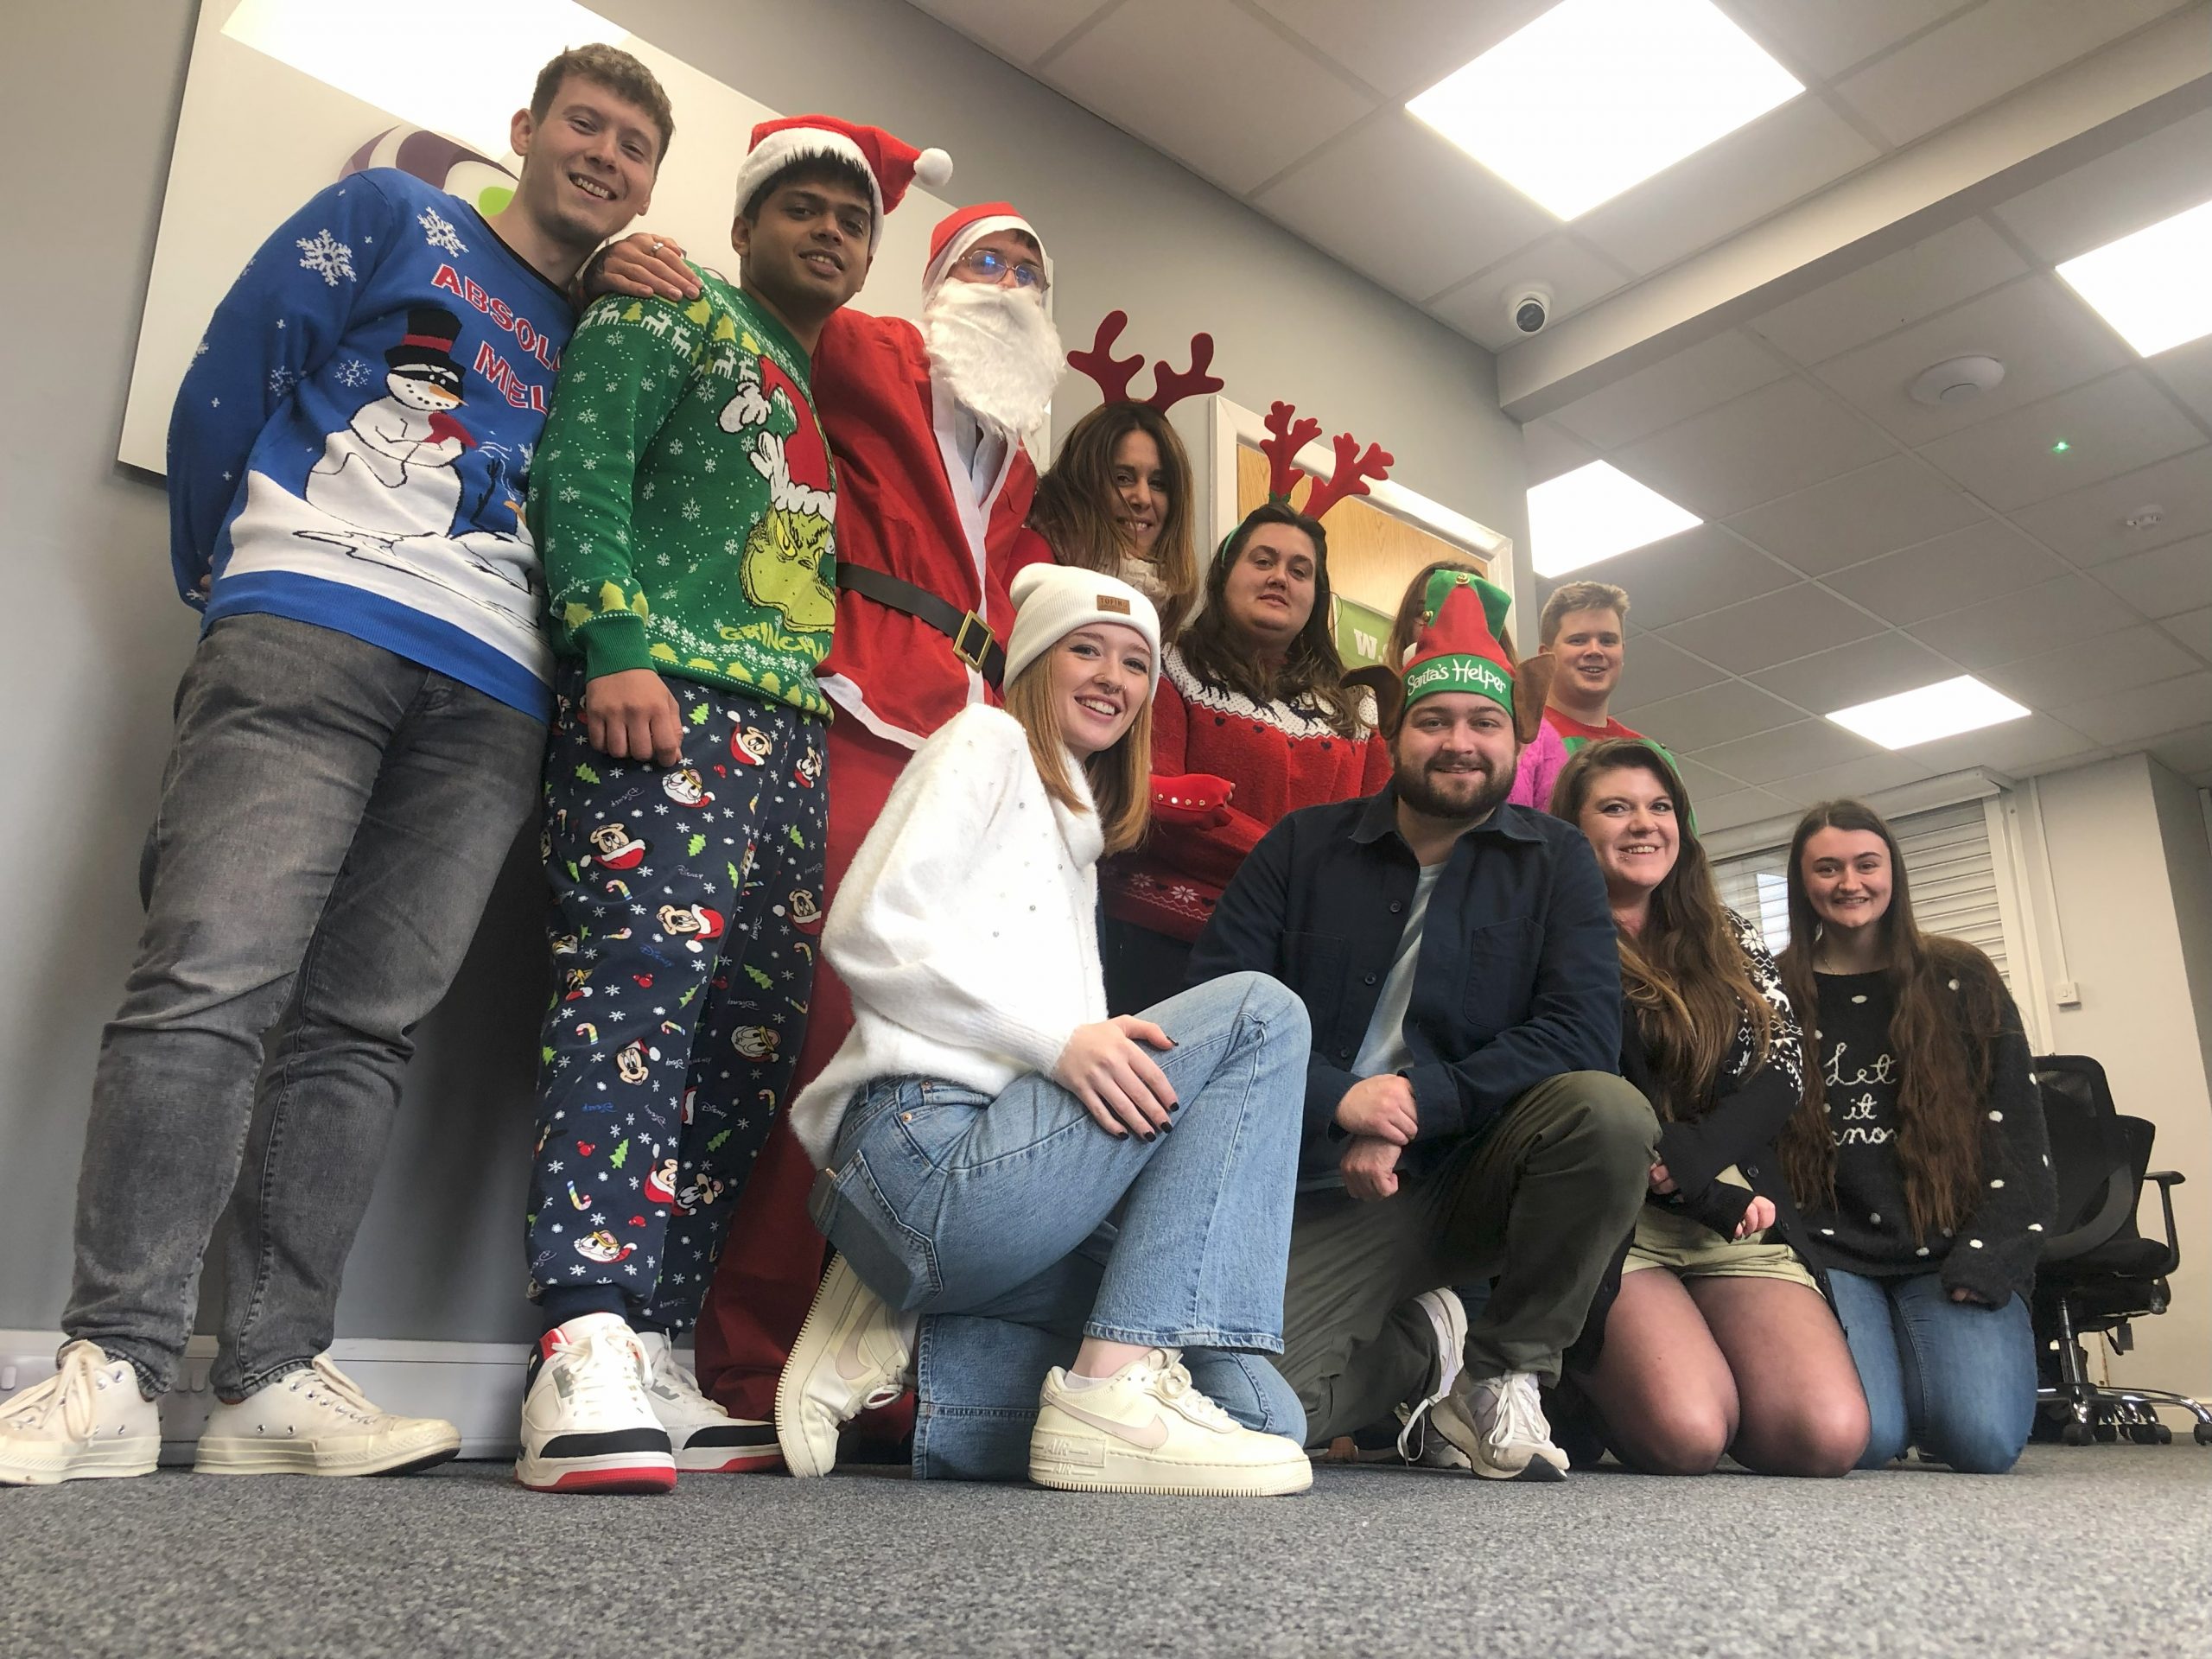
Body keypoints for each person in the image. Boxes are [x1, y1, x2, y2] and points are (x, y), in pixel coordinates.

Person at [0, 47, 671, 1489]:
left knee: (363, 1029)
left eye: (635, 144)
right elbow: (232, 377)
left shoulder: (615, 336)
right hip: (310, 625)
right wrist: (241, 573)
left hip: (501, 691)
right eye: (586, 124)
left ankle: (270, 1377)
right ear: (527, 133)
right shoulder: (393, 217)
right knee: (208, 978)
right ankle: (114, 1360)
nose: (606, 154)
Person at [512, 115, 943, 1494]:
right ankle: (579, 1335)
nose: (830, 230)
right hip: (668, 704)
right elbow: (578, 469)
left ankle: (659, 1344)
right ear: (746, 223)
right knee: (633, 1003)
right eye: (803, 207)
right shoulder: (668, 301)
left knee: (749, 1044)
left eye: (853, 218)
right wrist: (612, 641)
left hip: (791, 737)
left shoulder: (821, 393)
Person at [592, 203, 1070, 1430]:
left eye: (1029, 270)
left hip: (978, 744)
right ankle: (737, 1355)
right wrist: (619, 259)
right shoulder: (868, 352)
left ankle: (867, 1364)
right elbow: (767, 302)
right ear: (936, 283)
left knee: (943, 1057)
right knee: (809, 1032)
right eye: (985, 262)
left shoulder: (1024, 450)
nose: (1009, 284)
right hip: (863, 706)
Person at [771, 564, 1314, 1496]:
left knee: (1266, 1419)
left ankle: (911, 1342)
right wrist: (1059, 1041)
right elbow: (866, 931)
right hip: (925, 1147)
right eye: (1086, 649)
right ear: (1033, 660)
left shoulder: (1077, 831)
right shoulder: (984, 740)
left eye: (1136, 663)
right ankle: (1106, 1391)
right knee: (1263, 1013)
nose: (1112, 677)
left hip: (995, 1176)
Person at [1192, 568, 1655, 1482]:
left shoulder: (1555, 859)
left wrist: (1412, 1101)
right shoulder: (1300, 846)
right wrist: (1343, 1103)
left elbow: (1580, 1031)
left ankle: (1503, 1370)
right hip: (1308, 1177)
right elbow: (1220, 1000)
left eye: (1482, 723)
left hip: (1468, 1172)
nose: (1458, 743)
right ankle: (1426, 1350)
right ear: (1396, 732)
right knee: (1244, 1413)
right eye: (1434, 721)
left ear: (1513, 735)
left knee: (1607, 1113)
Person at [1550, 741, 1867, 1477]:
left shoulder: (1728, 932)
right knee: (1689, 1434)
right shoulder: (1553, 933)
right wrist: (1684, 1179)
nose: (1644, 824)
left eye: (1660, 807)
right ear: (1573, 825)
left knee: (1826, 1436)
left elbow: (1785, 1065)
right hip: (1615, 1217)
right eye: (1616, 807)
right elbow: (1578, 1079)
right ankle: (1576, 1388)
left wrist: (1699, 1158)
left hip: (1729, 1200)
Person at [1776, 800, 2055, 1474]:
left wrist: (1990, 1258)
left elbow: (2018, 1132)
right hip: (1829, 1254)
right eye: (1828, 868)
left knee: (1983, 1442)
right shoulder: (1775, 987)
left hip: (1949, 1250)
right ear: (1802, 882)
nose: (1850, 883)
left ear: (1892, 872)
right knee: (1862, 1441)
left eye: (1867, 864)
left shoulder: (1961, 974)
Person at [1100, 406, 1394, 1013]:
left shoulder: (1357, 712)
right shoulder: (1168, 668)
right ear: (1226, 573)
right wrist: (1305, 868)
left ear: (1317, 598)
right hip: (1165, 947)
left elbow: (1382, 836)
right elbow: (1154, 799)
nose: (1279, 577)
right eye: (1262, 560)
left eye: (1300, 570)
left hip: (1306, 959)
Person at [1020, 311, 1218, 639]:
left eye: (1158, 483)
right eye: (1123, 478)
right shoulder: (1033, 563)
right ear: (1084, 482)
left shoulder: (1162, 617)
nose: (1142, 498)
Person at [1510, 580, 1679, 811]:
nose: (1595, 651)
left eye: (1607, 641)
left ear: (1622, 652)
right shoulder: (1518, 738)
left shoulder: (1650, 755)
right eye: (1578, 640)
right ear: (1545, 656)